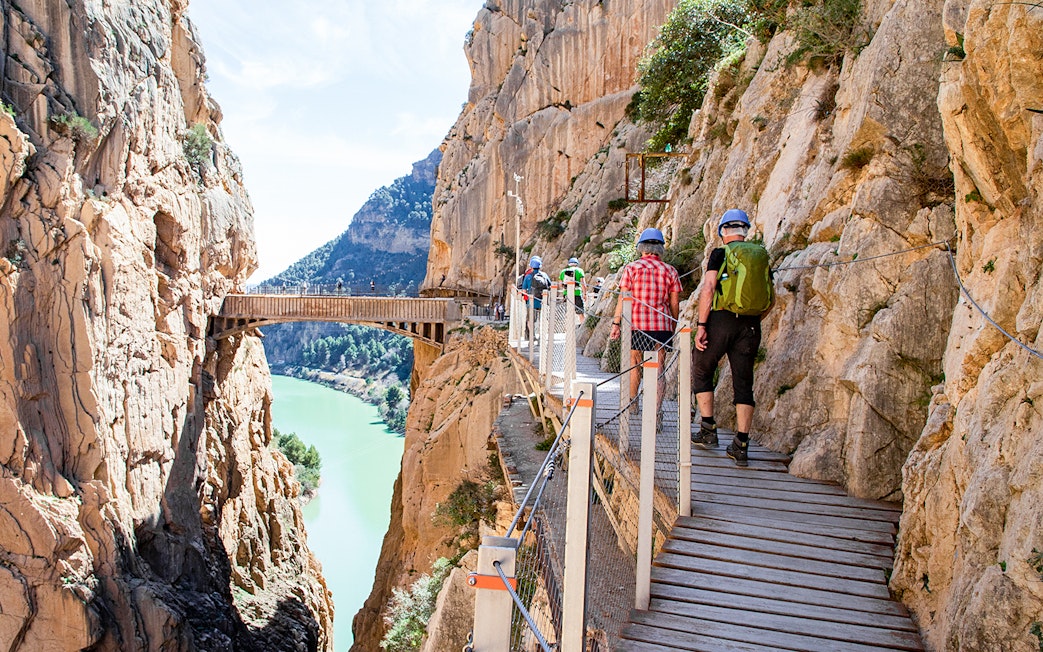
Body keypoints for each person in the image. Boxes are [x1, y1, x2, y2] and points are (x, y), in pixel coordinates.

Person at [691, 209, 775, 466]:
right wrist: (753, 320)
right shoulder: (760, 255)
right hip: (750, 325)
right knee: (743, 381)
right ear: (745, 230)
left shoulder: (720, 254)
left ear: (723, 232)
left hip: (721, 319)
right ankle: (741, 443)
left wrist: (702, 324)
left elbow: (708, 288)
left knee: (702, 367)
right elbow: (771, 298)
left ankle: (708, 430)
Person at [609, 228, 681, 405]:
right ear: (660, 248)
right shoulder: (670, 270)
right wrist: (673, 325)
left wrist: (616, 323)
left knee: (634, 363)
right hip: (662, 325)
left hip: (637, 325)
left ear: (641, 247)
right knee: (659, 367)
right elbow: (674, 303)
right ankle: (656, 412)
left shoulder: (632, 269)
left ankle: (632, 403)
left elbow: (623, 298)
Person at [518, 256, 551, 338]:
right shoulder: (544, 275)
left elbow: (524, 290)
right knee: (542, 319)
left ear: (531, 266)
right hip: (543, 301)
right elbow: (549, 286)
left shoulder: (528, 276)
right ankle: (541, 336)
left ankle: (532, 336)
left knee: (531, 320)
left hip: (531, 301)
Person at [559, 257, 586, 325]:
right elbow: (583, 284)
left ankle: (568, 330)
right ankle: (582, 327)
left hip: (567, 294)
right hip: (577, 293)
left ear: (569, 264)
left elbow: (560, 284)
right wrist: (585, 294)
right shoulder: (580, 271)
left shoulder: (563, 272)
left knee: (568, 312)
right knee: (580, 312)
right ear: (577, 264)